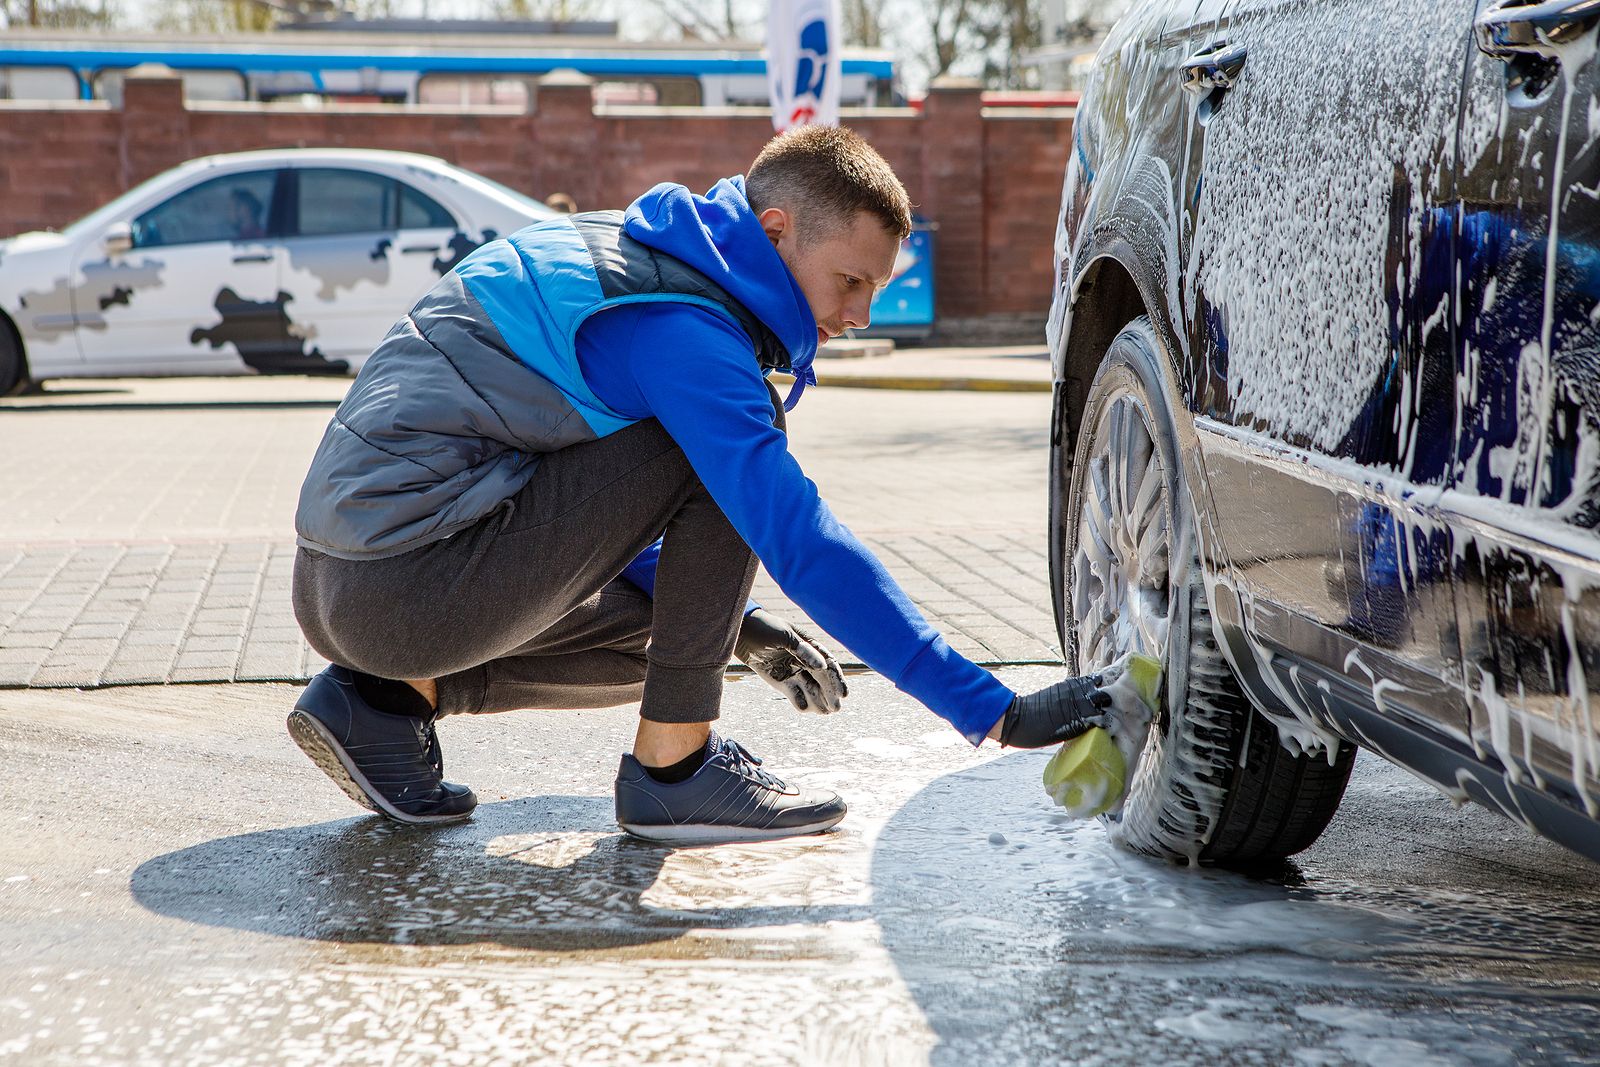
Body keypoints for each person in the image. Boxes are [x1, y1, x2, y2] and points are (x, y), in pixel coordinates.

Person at [287, 125, 1118, 844]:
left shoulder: (642, 256)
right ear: (778, 230)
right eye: (851, 282)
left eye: (878, 289)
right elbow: (792, 530)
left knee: (691, 625)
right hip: (403, 587)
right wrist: (994, 710)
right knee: (731, 450)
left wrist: (741, 628)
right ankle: (676, 770)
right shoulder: (685, 326)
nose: (861, 313)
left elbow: (574, 515)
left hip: (341, 585)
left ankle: (385, 705)